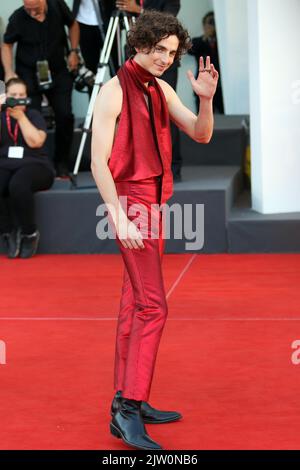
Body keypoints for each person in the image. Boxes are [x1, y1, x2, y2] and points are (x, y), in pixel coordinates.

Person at [91, 10, 218, 450]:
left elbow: (201, 135)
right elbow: (97, 162)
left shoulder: (161, 88)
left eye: (171, 51)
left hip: (155, 202)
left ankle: (127, 400)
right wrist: (119, 215)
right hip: (130, 203)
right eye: (158, 49)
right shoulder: (112, 92)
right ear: (139, 44)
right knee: (152, 308)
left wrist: (204, 99)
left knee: (134, 304)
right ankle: (128, 410)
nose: (165, 58)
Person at [1, 0, 80, 178]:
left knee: (65, 114)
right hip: (28, 73)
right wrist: (8, 72)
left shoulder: (58, 6)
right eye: (28, 8)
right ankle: (39, 163)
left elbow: (73, 24)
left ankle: (62, 164)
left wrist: (74, 51)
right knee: (32, 116)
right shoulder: (18, 17)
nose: (32, 12)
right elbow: (6, 44)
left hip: (58, 70)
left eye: (35, 8)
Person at [116, 0, 183, 181]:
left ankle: (173, 168)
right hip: (138, 57)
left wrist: (137, 10)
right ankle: (143, 166)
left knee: (166, 111)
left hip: (163, 64)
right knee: (137, 113)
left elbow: (168, 21)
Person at [0, 78, 55, 258]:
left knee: (18, 184)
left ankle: (29, 233)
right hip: (6, 164)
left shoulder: (33, 115)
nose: (17, 99)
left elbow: (36, 141)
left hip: (35, 165)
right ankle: (8, 232)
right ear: (5, 97)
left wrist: (21, 117)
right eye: (13, 95)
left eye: (21, 95)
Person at [189, 11, 224, 114]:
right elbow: (190, 50)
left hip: (221, 87)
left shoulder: (223, 41)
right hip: (202, 86)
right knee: (203, 118)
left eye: (214, 22)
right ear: (204, 25)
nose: (212, 25)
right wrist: (205, 37)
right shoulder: (198, 41)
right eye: (210, 22)